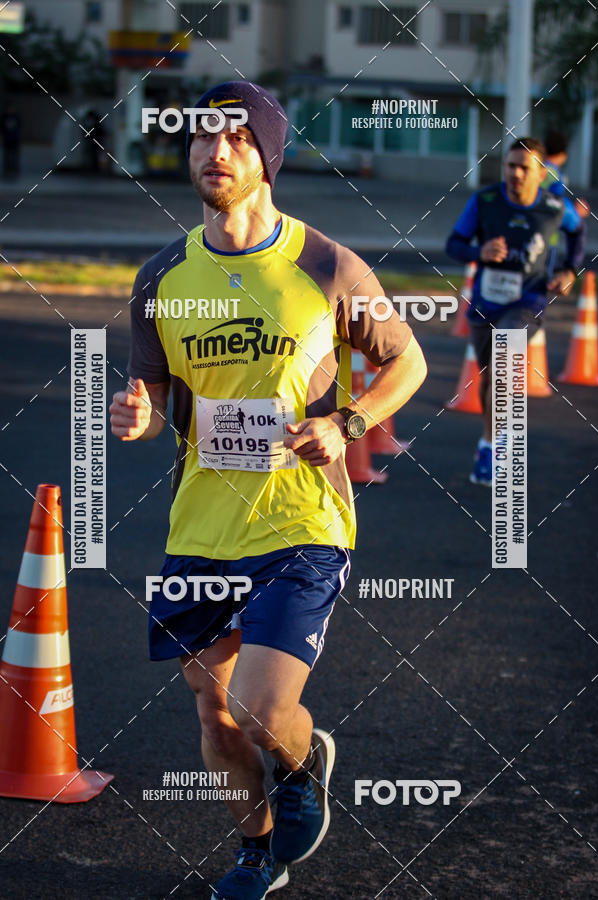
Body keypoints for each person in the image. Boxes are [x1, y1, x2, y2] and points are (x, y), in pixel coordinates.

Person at [110, 81, 427, 900]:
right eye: (204, 138)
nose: (216, 153)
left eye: (239, 140)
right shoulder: (161, 277)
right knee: (213, 715)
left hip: (303, 521)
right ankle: (257, 851)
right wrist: (136, 414)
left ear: (268, 157)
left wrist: (348, 423)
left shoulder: (323, 264)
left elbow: (409, 360)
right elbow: (151, 403)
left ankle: (300, 758)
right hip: (202, 527)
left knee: (256, 710)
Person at [446, 136, 586, 486]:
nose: (516, 173)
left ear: (541, 173)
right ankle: (488, 443)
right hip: (485, 305)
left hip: (527, 304)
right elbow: (455, 245)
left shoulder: (554, 208)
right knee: (491, 379)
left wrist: (569, 271)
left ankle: (494, 449)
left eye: (525, 168)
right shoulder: (486, 201)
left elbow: (578, 230)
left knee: (504, 362)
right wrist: (481, 253)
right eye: (511, 165)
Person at [1, 103, 21, 178]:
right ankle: (7, 171)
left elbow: (19, 127)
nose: (10, 110)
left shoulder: (16, 117)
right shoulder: (4, 117)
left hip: (15, 140)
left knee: (15, 156)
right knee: (7, 156)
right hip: (7, 140)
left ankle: (14, 171)